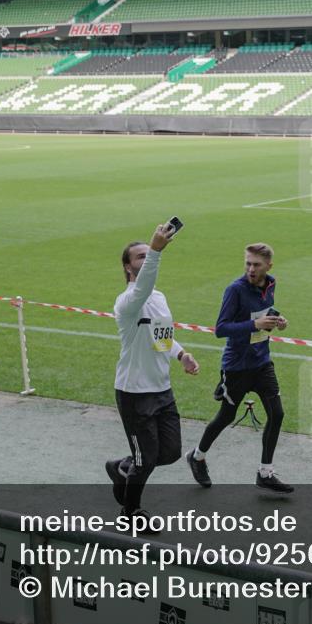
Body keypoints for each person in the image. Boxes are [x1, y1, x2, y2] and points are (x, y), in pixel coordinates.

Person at [105, 222, 200, 528]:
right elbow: (144, 284)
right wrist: (157, 250)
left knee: (169, 452)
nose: (145, 260)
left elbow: (162, 336)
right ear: (127, 267)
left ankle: (121, 467)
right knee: (146, 459)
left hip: (162, 390)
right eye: (140, 257)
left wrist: (182, 354)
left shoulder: (158, 298)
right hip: (134, 393)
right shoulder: (127, 303)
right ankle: (130, 513)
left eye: (148, 255)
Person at [185, 243, 293, 493]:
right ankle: (197, 456)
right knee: (226, 416)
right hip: (237, 366)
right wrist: (255, 325)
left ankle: (265, 473)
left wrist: (277, 321)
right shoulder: (235, 290)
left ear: (269, 266)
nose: (251, 269)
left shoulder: (271, 284)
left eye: (256, 264)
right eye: (248, 263)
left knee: (277, 414)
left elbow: (263, 314)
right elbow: (221, 329)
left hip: (262, 362)